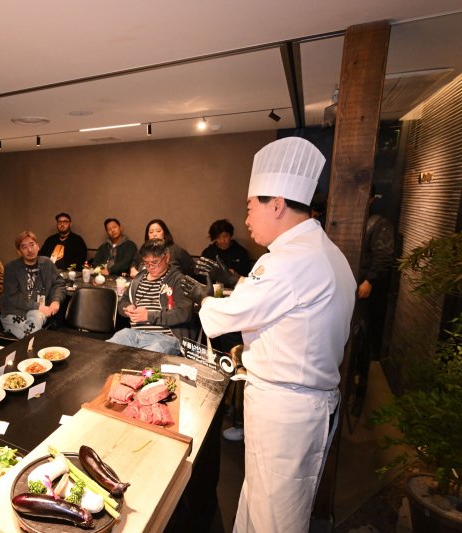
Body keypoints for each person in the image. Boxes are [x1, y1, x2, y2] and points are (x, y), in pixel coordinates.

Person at [184, 137, 356, 532]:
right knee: (260, 502)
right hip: (292, 405)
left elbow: (228, 314)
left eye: (250, 207)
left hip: (287, 410)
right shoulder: (321, 251)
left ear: (276, 204)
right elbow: (281, 309)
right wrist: (237, 280)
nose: (246, 220)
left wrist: (200, 298)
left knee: (276, 518)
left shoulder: (291, 260)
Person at [107, 240, 194, 355]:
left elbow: (184, 313)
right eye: (146, 263)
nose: (150, 267)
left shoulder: (178, 280)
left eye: (155, 262)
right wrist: (127, 308)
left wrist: (148, 315)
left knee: (147, 359)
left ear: (167, 258)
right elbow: (123, 302)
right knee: (107, 350)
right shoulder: (139, 278)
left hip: (165, 337)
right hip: (133, 334)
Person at [352, 185, 395, 411]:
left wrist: (370, 280)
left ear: (370, 199)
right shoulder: (348, 221)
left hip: (365, 290)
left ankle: (360, 389)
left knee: (364, 338)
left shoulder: (378, 223)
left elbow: (384, 256)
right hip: (347, 289)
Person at [0, 230, 66, 339]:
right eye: (24, 247)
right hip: (14, 313)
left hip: (37, 313)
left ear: (38, 246)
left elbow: (59, 284)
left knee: (36, 319)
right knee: (32, 332)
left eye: (32, 245)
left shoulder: (47, 264)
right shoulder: (11, 268)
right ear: (19, 251)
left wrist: (55, 301)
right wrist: (39, 306)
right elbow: (13, 296)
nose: (30, 250)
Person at [129, 219, 195, 278]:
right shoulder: (144, 249)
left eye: (158, 231)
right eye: (151, 232)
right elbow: (135, 261)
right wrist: (133, 269)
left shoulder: (175, 249)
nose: (154, 234)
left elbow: (191, 269)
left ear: (164, 233)